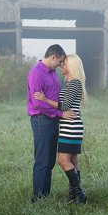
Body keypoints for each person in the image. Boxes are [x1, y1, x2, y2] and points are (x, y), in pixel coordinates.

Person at [34, 53, 88, 203]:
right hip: (71, 126)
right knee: (73, 161)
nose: (61, 65)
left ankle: (80, 193)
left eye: (64, 64)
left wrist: (45, 99)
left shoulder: (75, 83)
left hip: (70, 126)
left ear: (72, 66)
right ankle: (74, 195)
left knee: (63, 161)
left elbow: (64, 106)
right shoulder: (71, 83)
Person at [26, 44, 76, 200]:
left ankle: (44, 194)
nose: (61, 65)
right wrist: (61, 114)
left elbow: (55, 98)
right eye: (60, 62)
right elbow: (38, 104)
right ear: (53, 57)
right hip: (42, 120)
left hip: (53, 119)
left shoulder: (53, 73)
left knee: (49, 161)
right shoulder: (36, 73)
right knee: (42, 160)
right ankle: (39, 198)